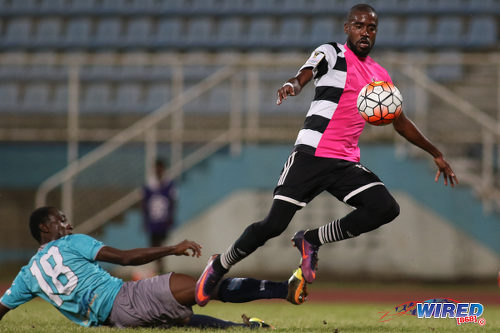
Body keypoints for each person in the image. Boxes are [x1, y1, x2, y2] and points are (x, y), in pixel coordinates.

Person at [195, 3, 459, 306]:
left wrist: (435, 152)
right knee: (273, 225)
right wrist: (293, 85)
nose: (365, 32)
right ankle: (219, 265)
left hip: (345, 162)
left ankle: (311, 239)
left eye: (371, 27)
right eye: (359, 26)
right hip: (311, 153)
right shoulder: (332, 53)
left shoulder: (379, 74)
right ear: (347, 28)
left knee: (385, 207)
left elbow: (398, 120)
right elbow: (307, 72)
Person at [0, 206, 307, 328]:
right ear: (44, 227)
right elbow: (125, 259)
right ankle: (284, 289)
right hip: (125, 296)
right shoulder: (70, 243)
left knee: (185, 321)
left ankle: (245, 329)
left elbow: (1, 309)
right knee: (207, 287)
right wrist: (172, 248)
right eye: (60, 219)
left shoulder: (27, 276)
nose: (67, 223)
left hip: (117, 319)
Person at [142, 158, 177, 274]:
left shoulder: (169, 183)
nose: (158, 170)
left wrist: (171, 217)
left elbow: (173, 201)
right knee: (154, 245)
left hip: (163, 220)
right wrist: (145, 219)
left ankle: (160, 266)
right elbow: (144, 203)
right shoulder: (150, 184)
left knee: (161, 245)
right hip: (153, 220)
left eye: (160, 168)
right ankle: (158, 266)